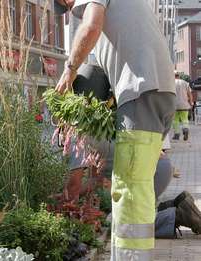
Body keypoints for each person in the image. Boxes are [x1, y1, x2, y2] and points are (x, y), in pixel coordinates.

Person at [56, 1, 176, 260]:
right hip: (157, 90)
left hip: (141, 91)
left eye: (64, 3)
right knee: (136, 185)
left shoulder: (95, 9)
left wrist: (69, 70)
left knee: (129, 189)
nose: (69, 8)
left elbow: (90, 26)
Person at [173, 71, 193, 141]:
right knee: (185, 119)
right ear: (179, 76)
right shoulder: (185, 83)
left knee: (175, 120)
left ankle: (177, 134)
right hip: (184, 104)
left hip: (174, 105)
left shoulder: (171, 83)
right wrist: (191, 102)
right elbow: (190, 94)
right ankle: (185, 129)